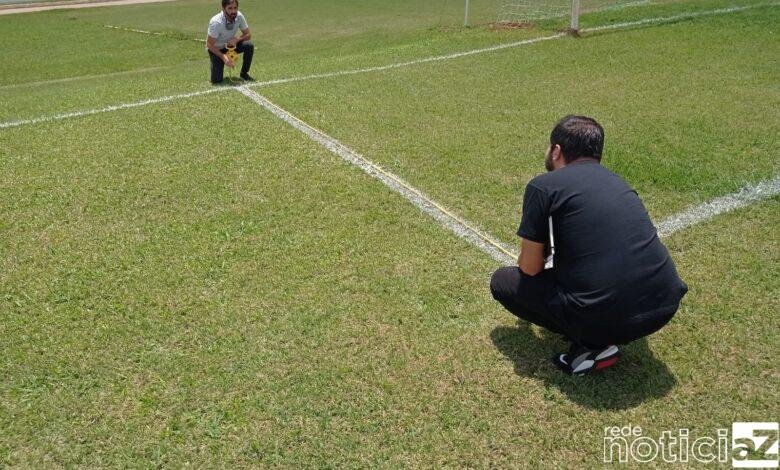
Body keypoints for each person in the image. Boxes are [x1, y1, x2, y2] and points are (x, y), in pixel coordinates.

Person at [490, 115, 687, 375]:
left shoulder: (543, 186)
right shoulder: (617, 181)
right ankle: (602, 328)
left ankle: (592, 346)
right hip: (664, 305)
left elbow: (530, 268)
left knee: (502, 282)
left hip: (606, 318)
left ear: (556, 151)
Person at [206, 0, 254, 84]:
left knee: (249, 46)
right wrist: (224, 57)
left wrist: (237, 39)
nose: (233, 11)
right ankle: (216, 63)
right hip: (216, 49)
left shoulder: (239, 16)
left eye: (235, 8)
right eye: (230, 8)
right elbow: (209, 45)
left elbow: (248, 34)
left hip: (230, 46)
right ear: (223, 8)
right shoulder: (216, 22)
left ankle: (244, 74)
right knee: (216, 80)